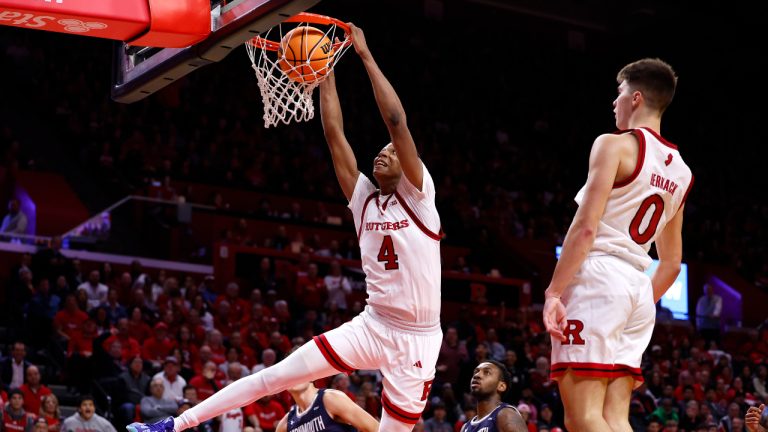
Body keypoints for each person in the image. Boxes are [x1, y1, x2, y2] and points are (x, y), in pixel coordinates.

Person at [128, 23, 443, 432]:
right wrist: (326, 71)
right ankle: (173, 426)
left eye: (390, 153)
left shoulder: (418, 196)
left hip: (417, 339)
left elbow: (396, 122)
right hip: (373, 323)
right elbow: (334, 135)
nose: (382, 155)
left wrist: (364, 56)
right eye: (380, 151)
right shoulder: (364, 199)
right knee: (276, 376)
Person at [542, 58, 693, 432]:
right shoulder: (682, 172)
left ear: (636, 97)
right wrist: (635, 299)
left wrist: (554, 293)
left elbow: (585, 229)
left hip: (600, 275)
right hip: (639, 287)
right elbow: (672, 263)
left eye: (619, 93)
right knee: (614, 417)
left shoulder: (613, 145)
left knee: (583, 417)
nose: (615, 102)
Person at [274, 381, 379, 432]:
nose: (293, 376)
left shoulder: (331, 399)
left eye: (298, 370)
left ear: (310, 374)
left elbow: (376, 428)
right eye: (289, 373)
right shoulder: (285, 424)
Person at [459, 360, 526, 432]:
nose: (477, 375)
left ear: (501, 386)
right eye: (476, 372)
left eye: (487, 372)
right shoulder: (465, 428)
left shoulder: (506, 414)